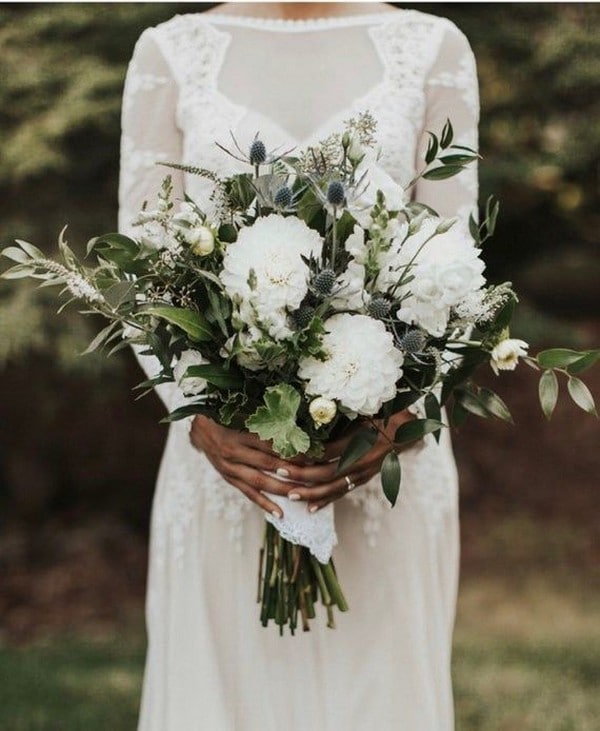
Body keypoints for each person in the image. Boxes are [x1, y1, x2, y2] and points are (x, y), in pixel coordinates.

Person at [118, 3, 479, 729]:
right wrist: (201, 418)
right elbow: (144, 269)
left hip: (383, 467)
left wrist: (398, 419)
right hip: (228, 469)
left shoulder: (432, 46)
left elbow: (456, 267)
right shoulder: (169, 53)